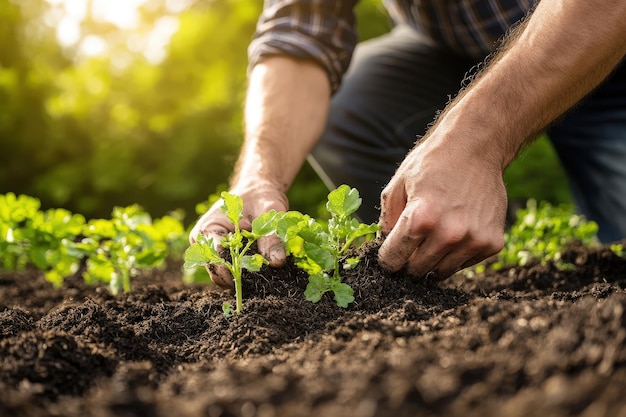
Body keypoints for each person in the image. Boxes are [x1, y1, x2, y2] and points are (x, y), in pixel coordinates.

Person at [190, 0, 626, 287]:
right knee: (351, 106)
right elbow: (299, 31)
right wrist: (258, 175)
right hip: (456, 52)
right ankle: (450, 263)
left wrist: (474, 143)